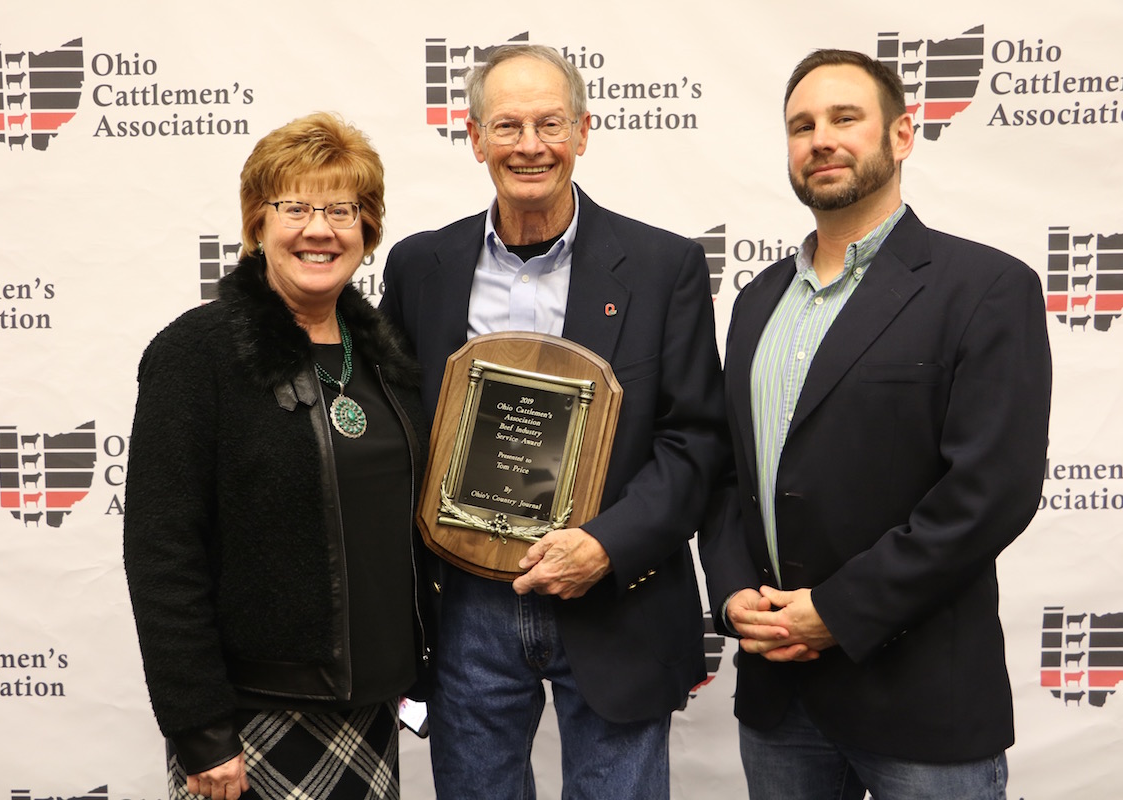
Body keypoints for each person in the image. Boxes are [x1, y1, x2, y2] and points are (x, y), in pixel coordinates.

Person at [698, 49, 1052, 799]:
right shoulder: (757, 302)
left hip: (920, 699)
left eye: (844, 118)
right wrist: (731, 596)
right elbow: (729, 473)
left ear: (902, 135)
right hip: (778, 692)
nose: (821, 139)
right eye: (802, 126)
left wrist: (837, 611)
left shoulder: (987, 288)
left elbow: (991, 492)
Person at [380, 44, 725, 799]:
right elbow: (394, 431)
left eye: (550, 123)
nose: (529, 145)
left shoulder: (663, 266)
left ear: (583, 131)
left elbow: (696, 439)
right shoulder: (419, 267)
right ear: (475, 138)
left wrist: (604, 546)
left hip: (614, 595)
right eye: (507, 126)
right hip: (464, 606)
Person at [123, 112, 430, 800]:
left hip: (370, 708)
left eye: (342, 210)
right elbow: (162, 553)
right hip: (248, 720)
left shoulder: (387, 359)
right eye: (295, 207)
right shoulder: (195, 355)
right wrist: (200, 728)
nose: (320, 230)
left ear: (367, 230)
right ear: (257, 224)